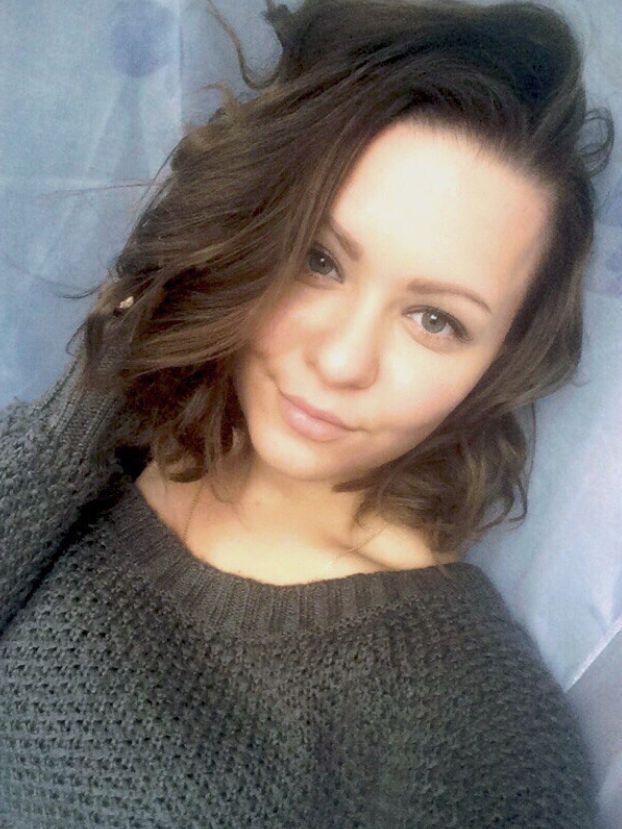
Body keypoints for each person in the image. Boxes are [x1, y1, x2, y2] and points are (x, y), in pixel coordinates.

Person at [0, 0, 614, 825]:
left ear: (499, 365)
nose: (341, 361)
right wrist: (116, 364)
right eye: (319, 260)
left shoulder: (480, 733)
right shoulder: (108, 449)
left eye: (436, 320)